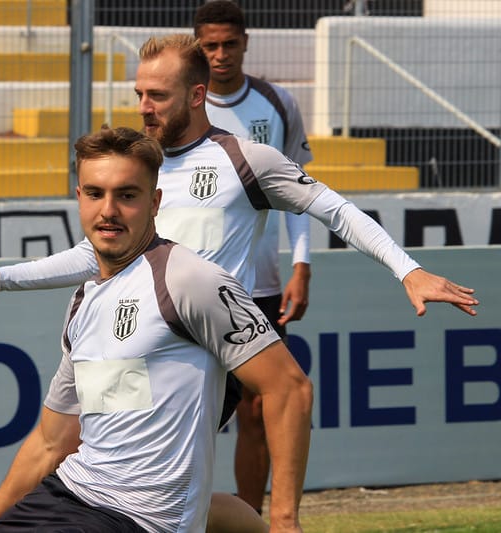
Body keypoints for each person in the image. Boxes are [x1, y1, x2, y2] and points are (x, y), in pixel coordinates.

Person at [0, 34, 478, 529]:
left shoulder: (246, 159)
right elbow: (92, 253)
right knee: (121, 476)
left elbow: (335, 209)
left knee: (128, 482)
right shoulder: (135, 168)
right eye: (139, 93)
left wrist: (407, 269)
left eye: (157, 95)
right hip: (135, 335)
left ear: (196, 95)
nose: (143, 107)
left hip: (204, 344)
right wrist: (0, 280)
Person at [0, 126, 314, 532]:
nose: (108, 210)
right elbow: (50, 442)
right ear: (79, 199)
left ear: (155, 202)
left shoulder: (190, 280)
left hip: (141, 521)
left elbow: (289, 388)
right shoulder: (83, 302)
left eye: (127, 195)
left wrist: (285, 522)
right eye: (95, 193)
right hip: (70, 495)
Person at [194, 0, 313, 513]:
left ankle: (250, 517)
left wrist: (301, 265)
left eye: (229, 43)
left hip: (261, 286)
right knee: (191, 413)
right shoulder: (186, 101)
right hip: (195, 287)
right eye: (209, 46)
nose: (220, 55)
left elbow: (301, 192)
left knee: (260, 408)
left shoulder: (276, 102)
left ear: (246, 42)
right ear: (198, 47)